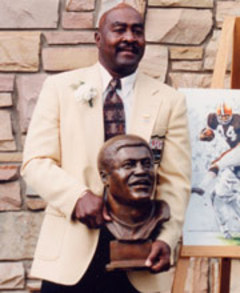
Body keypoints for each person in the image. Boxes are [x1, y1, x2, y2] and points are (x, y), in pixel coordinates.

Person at [21, 3, 191, 293]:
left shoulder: (168, 100)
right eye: (119, 29)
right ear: (98, 38)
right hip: (70, 256)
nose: (130, 37)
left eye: (137, 31)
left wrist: (167, 238)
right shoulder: (60, 89)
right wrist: (77, 197)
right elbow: (36, 162)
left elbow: (176, 181)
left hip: (141, 256)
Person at [98, 134, 170, 241]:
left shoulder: (161, 213)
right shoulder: (102, 218)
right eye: (128, 165)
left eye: (146, 164)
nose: (141, 171)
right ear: (105, 178)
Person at [192, 102, 240, 239]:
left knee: (218, 164)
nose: (224, 119)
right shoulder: (213, 120)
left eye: (227, 116)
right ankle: (225, 230)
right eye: (222, 116)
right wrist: (205, 134)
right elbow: (208, 133)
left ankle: (201, 187)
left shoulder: (238, 120)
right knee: (219, 195)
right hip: (234, 165)